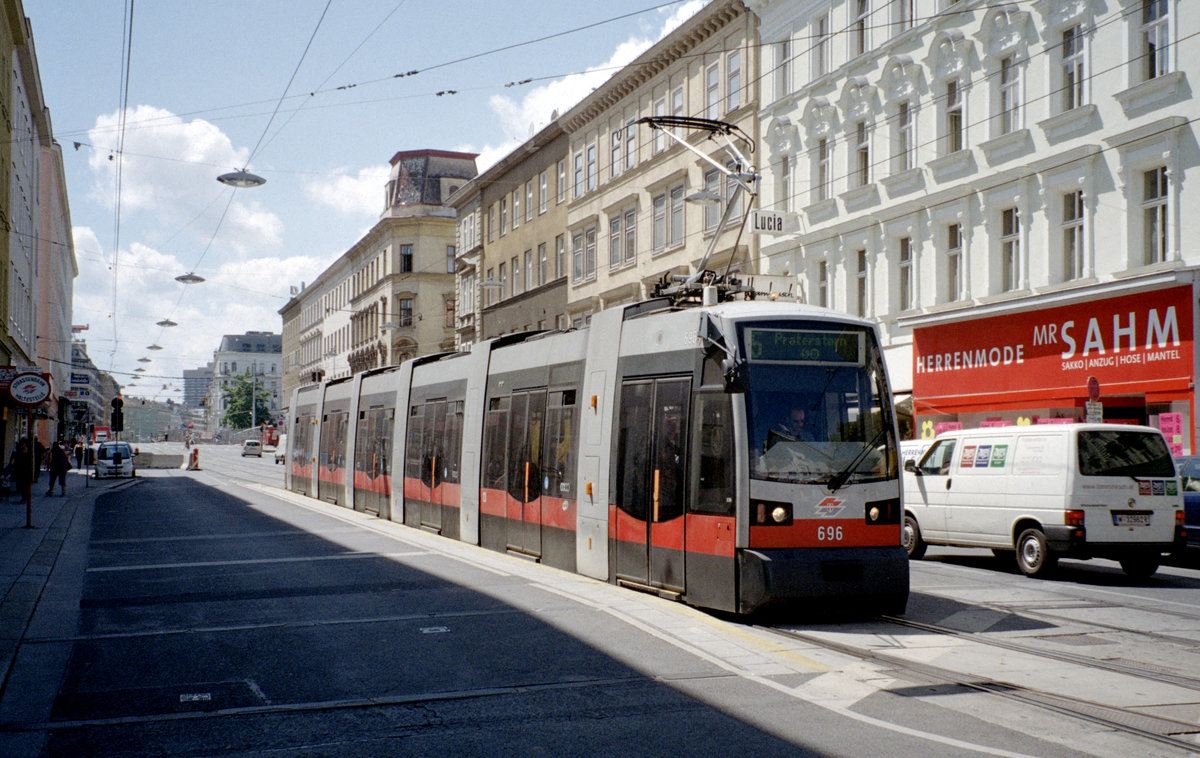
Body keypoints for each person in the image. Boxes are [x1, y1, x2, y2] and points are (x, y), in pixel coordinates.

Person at [9, 440, 31, 504]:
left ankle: (25, 497)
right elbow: (15, 458)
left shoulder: (26, 453)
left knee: (24, 485)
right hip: (20, 470)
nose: (22, 446)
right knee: (22, 484)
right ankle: (23, 495)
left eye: (23, 444)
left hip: (25, 471)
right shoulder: (19, 452)